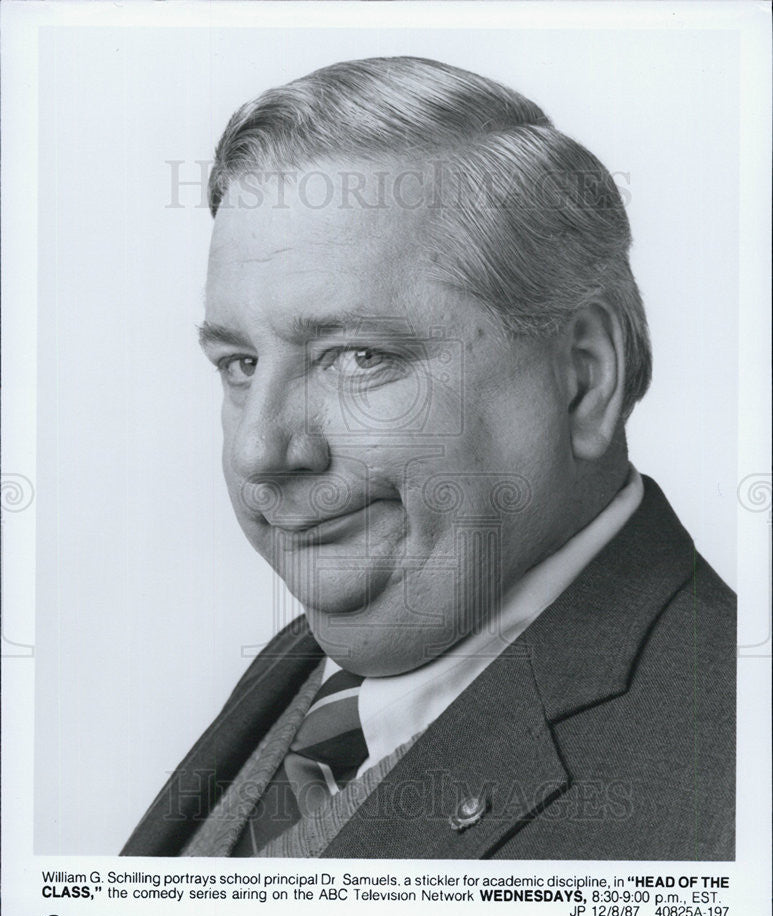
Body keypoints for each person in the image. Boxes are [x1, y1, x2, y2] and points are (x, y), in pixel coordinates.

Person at [122, 56, 735, 860]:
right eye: (240, 364)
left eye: (357, 356)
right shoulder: (316, 664)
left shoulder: (730, 779)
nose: (259, 450)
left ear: (582, 377)